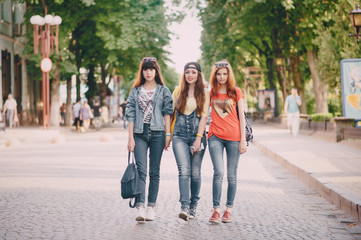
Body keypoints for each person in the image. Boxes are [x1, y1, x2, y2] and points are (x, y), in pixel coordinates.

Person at [126, 57, 173, 222]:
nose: (148, 72)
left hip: (158, 133)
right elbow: (130, 114)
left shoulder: (164, 91)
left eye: (151, 69)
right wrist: (130, 137)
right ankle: (140, 206)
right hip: (139, 133)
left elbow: (168, 113)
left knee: (154, 171)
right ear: (142, 71)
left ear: (156, 71)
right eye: (145, 69)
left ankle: (151, 206)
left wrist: (168, 135)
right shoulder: (135, 91)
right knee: (141, 171)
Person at [207, 60, 247, 223]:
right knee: (218, 173)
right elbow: (203, 113)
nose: (222, 76)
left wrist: (243, 140)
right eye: (219, 73)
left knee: (232, 175)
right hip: (215, 136)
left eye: (224, 73)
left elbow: (242, 117)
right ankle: (216, 210)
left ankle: (228, 210)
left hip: (234, 137)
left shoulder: (236, 92)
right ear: (215, 75)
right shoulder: (211, 93)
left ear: (229, 75)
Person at [171, 62, 210, 221]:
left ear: (198, 74)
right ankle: (184, 207)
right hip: (179, 135)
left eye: (193, 72)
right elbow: (172, 114)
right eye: (187, 72)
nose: (190, 75)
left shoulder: (205, 93)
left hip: (197, 135)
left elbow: (204, 117)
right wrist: (168, 135)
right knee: (183, 171)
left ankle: (193, 206)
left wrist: (198, 140)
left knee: (195, 173)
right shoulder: (178, 91)